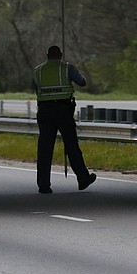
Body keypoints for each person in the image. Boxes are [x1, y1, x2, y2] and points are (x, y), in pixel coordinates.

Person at [32, 45, 96, 194]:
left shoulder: (38, 70)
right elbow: (82, 82)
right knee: (72, 146)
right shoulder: (67, 67)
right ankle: (83, 178)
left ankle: (43, 185)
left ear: (47, 56)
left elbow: (34, 87)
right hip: (63, 110)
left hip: (45, 111)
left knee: (45, 149)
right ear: (60, 55)